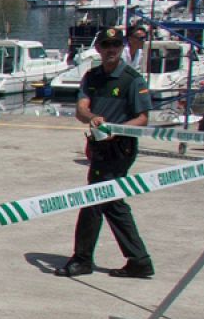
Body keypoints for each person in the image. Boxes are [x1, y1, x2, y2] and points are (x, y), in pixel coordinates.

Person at [56, 27, 155, 279]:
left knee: (93, 201)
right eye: (106, 45)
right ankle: (138, 260)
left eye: (116, 45)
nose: (111, 50)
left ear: (122, 48)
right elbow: (81, 109)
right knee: (110, 202)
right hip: (99, 147)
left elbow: (142, 119)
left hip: (119, 149)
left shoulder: (131, 80)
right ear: (98, 48)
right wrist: (93, 118)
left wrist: (117, 130)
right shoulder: (92, 77)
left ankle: (83, 259)